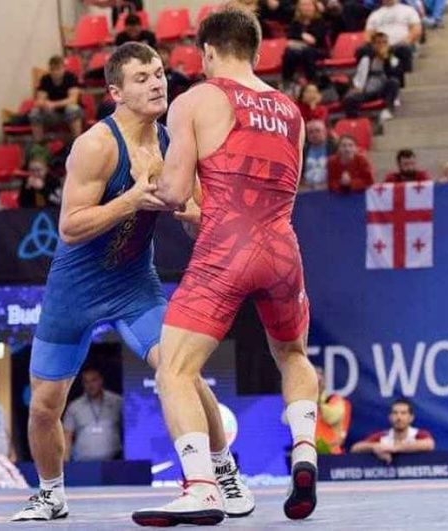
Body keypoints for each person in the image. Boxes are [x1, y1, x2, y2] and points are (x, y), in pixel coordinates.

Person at [11, 42, 253, 522]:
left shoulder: (173, 142)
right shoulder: (96, 146)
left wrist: (192, 214)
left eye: (159, 73)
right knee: (44, 406)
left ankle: (224, 473)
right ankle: (51, 494)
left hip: (134, 284)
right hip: (74, 290)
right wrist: (132, 200)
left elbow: (198, 215)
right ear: (116, 92)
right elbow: (69, 227)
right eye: (142, 78)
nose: (157, 83)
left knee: (180, 371)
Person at [131, 9, 319, 525]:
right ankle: (305, 450)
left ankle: (201, 488)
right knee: (293, 355)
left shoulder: (196, 100)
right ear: (255, 52)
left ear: (208, 52)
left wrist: (146, 182)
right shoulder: (291, 111)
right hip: (282, 250)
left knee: (174, 370)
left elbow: (174, 192)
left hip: (226, 249)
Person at [63, 367, 123, 461]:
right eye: (86, 382)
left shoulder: (118, 402)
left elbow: (131, 430)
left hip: (114, 462)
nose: (90, 385)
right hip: (82, 463)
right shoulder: (74, 407)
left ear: (101, 380)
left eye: (94, 380)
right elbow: (67, 436)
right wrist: (65, 464)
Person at [351, 398, 435, 463]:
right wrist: (375, 447)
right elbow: (355, 448)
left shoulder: (418, 434)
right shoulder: (382, 435)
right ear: (390, 417)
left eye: (403, 413)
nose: (399, 417)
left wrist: (393, 448)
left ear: (411, 418)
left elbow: (429, 444)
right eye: (395, 413)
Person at [343, 31, 402, 121]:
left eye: (384, 42)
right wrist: (358, 88)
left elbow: (394, 74)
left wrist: (386, 59)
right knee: (349, 99)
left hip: (382, 90)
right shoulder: (367, 59)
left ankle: (387, 110)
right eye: (379, 43)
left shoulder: (393, 58)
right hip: (366, 92)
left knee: (393, 82)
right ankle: (354, 122)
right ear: (373, 45)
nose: (382, 45)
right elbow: (360, 76)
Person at [30, 56, 84, 143]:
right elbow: (39, 101)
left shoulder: (71, 77)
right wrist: (45, 104)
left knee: (72, 109)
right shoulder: (45, 79)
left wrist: (54, 104)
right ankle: (39, 145)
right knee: (35, 112)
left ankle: (78, 143)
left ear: (63, 68)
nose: (55, 72)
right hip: (53, 114)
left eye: (58, 69)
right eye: (52, 69)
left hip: (70, 112)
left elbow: (73, 100)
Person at [364, 0, 421, 75]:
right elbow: (368, 35)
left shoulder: (409, 10)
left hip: (401, 46)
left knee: (401, 50)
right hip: (381, 47)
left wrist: (404, 42)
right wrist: (378, 46)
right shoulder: (374, 14)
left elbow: (416, 30)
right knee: (363, 50)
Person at [282, 0, 330, 88]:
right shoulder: (295, 22)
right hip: (299, 50)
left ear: (314, 7)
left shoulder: (320, 21)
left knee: (307, 52)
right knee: (289, 53)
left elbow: (314, 40)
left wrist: (298, 37)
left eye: (309, 5)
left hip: (318, 50)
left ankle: (313, 82)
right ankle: (287, 81)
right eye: (303, 5)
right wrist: (302, 35)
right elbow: (290, 37)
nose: (306, 8)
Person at [302, 119, 338, 190]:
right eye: (311, 132)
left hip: (329, 188)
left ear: (325, 132)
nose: (314, 134)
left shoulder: (334, 148)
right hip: (307, 188)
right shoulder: (303, 150)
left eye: (317, 131)